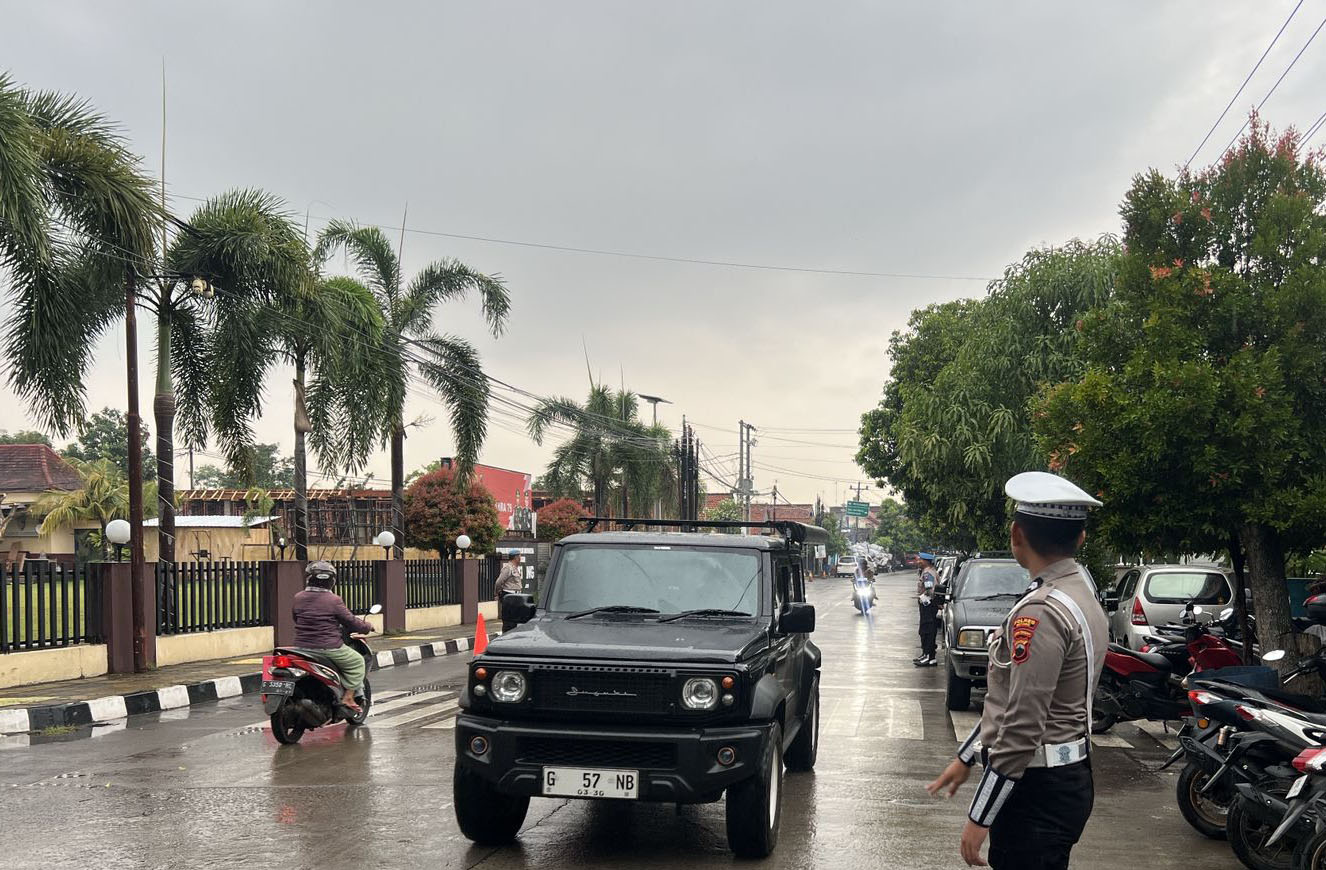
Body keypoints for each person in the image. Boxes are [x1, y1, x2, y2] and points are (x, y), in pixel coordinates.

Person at [926, 471, 1107, 869]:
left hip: (1037, 792)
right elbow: (1013, 700)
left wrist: (980, 816)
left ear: (1016, 534)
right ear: (1080, 538)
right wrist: (969, 755)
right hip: (1066, 776)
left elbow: (1024, 721)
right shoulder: (1080, 594)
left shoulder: (1041, 611)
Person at [291, 561, 375, 713]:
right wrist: (367, 627)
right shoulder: (334, 600)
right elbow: (352, 622)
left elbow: (296, 618)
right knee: (357, 662)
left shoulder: (298, 597)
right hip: (328, 648)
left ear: (309, 578)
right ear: (332, 581)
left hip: (301, 647)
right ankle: (348, 697)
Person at [913, 552, 940, 667]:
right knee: (927, 629)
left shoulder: (927, 573)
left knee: (927, 630)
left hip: (928, 605)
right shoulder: (928, 571)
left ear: (926, 561)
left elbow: (929, 589)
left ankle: (929, 656)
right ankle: (927, 655)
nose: (918, 561)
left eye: (920, 560)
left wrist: (924, 597)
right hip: (929, 604)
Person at [495, 550, 524, 632]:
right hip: (509, 596)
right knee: (509, 622)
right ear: (516, 557)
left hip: (516, 597)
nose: (520, 558)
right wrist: (498, 593)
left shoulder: (515, 568)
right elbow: (499, 582)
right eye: (519, 556)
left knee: (515, 620)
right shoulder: (508, 568)